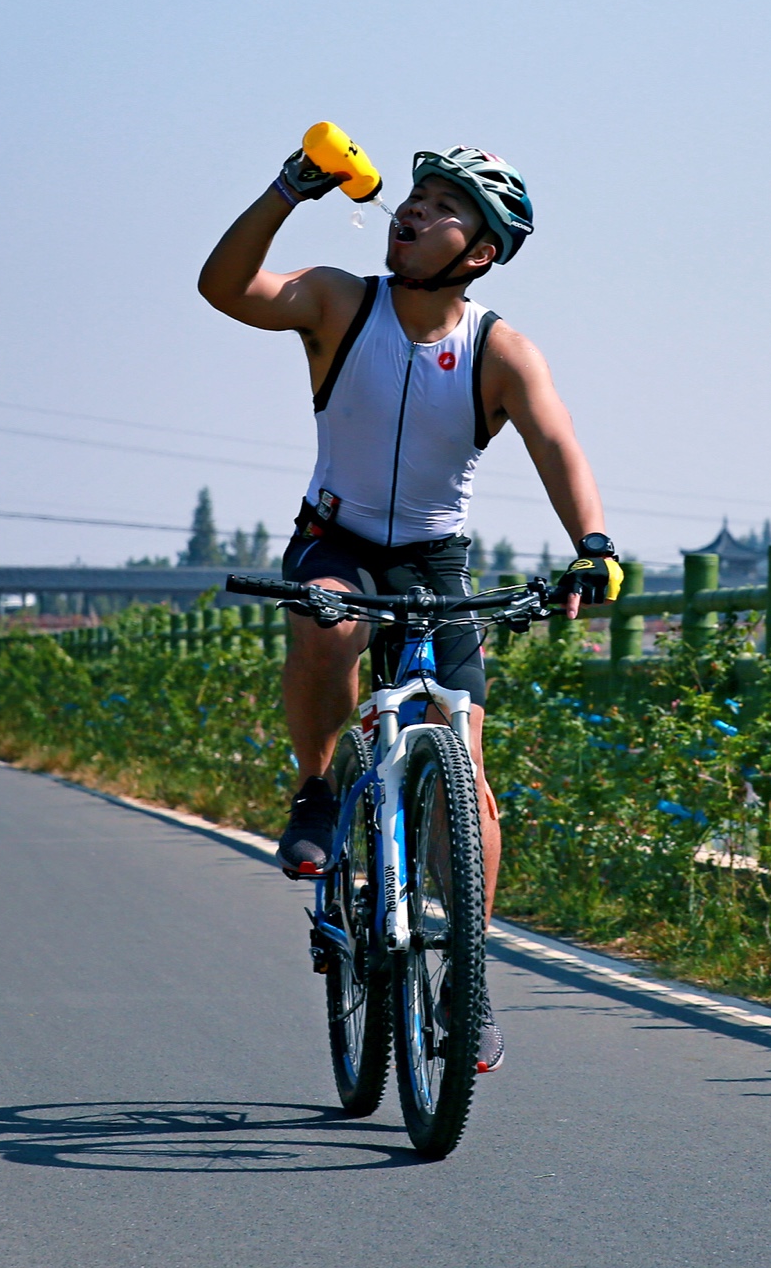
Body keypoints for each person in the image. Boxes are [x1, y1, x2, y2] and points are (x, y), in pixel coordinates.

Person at [199, 141, 621, 1074]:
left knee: (464, 772)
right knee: (330, 619)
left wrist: (592, 544)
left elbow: (557, 442)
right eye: (414, 198)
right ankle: (316, 786)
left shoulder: (497, 348)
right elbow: (225, 289)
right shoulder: (340, 301)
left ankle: (465, 982)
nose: (414, 213)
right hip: (337, 540)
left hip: (434, 562)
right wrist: (285, 192)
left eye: (441, 209)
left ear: (479, 253)